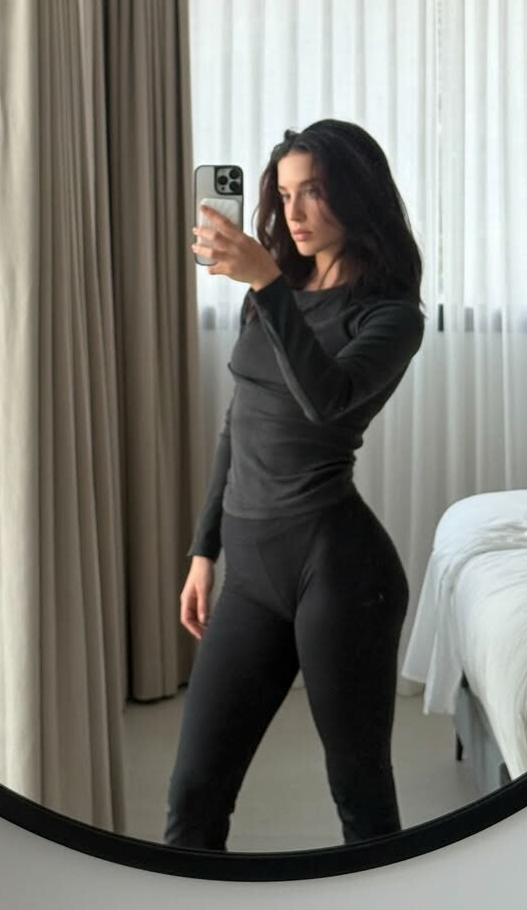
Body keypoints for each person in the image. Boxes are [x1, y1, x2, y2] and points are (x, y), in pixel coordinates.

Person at [164, 118, 425, 851]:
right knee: (193, 794)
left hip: (339, 572)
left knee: (359, 792)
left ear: (357, 194)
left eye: (313, 191)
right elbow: (238, 423)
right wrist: (204, 549)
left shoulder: (391, 317)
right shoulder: (270, 294)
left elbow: (327, 401)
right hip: (250, 569)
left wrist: (269, 283)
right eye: (284, 195)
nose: (296, 211)